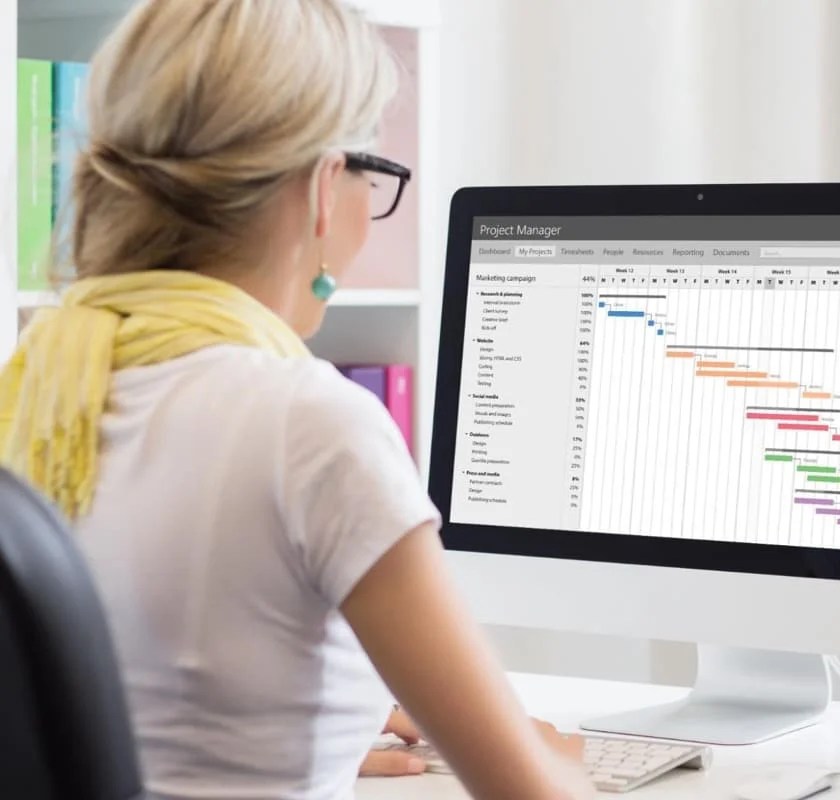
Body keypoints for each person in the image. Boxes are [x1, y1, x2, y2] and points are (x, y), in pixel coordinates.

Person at [0, 1, 592, 799]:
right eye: (372, 173)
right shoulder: (308, 422)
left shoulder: (38, 387)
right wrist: (558, 764)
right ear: (321, 185)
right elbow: (531, 792)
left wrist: (308, 735)